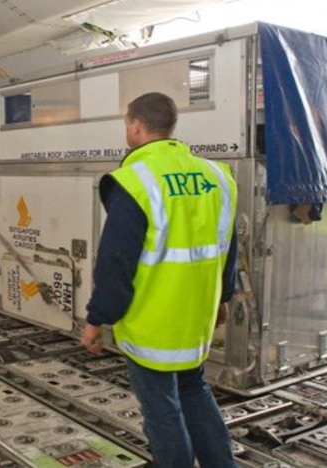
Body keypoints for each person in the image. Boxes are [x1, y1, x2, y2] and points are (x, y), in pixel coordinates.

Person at [80, 92, 238, 467]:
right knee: (194, 390)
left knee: (162, 410)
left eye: (127, 124)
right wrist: (223, 298)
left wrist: (96, 319)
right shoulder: (217, 175)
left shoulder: (134, 180)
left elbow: (116, 263)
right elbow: (228, 246)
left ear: (135, 126)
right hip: (196, 318)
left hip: (152, 322)